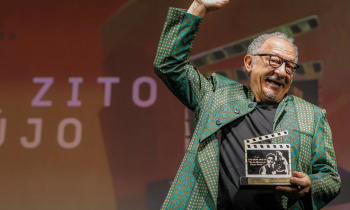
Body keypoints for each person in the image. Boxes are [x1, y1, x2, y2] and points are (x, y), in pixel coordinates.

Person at [153, 0, 340, 209]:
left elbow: (330, 177)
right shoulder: (216, 94)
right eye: (274, 61)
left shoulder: (312, 115)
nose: (281, 71)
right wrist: (198, 7)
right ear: (250, 63)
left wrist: (310, 185)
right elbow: (169, 65)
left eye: (289, 66)